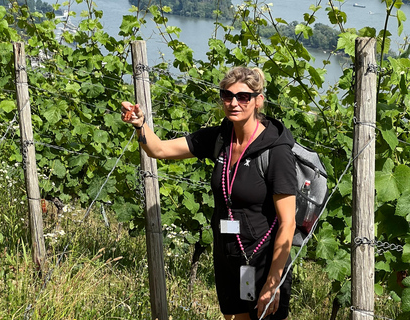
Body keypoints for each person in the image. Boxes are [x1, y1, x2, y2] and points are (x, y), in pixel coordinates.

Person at [121, 66, 296, 320]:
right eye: (227, 95)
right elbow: (159, 150)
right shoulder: (220, 138)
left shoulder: (276, 151)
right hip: (227, 257)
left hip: (262, 261)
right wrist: (140, 125)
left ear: (259, 101)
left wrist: (273, 282)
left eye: (243, 97)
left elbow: (288, 222)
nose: (234, 103)